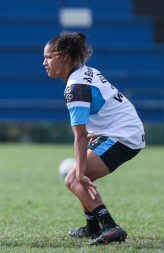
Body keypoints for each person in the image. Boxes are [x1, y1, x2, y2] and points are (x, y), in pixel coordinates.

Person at [43, 32, 145, 245]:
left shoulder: (75, 88)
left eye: (49, 57)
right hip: (122, 130)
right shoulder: (84, 72)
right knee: (78, 176)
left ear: (64, 56)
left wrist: (80, 173)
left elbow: (80, 136)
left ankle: (111, 227)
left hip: (123, 136)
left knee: (73, 179)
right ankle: (92, 227)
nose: (44, 63)